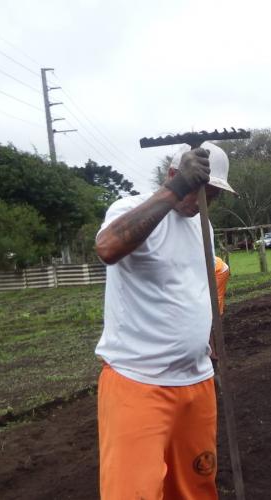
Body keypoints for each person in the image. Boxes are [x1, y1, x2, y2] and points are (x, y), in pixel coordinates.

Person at [94, 142, 235, 500]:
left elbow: (199, 283)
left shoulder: (202, 226)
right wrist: (174, 193)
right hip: (139, 382)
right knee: (134, 493)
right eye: (200, 192)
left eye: (214, 196)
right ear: (175, 176)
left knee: (196, 488)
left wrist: (208, 336)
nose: (204, 203)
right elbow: (107, 248)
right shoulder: (128, 209)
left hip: (196, 381)